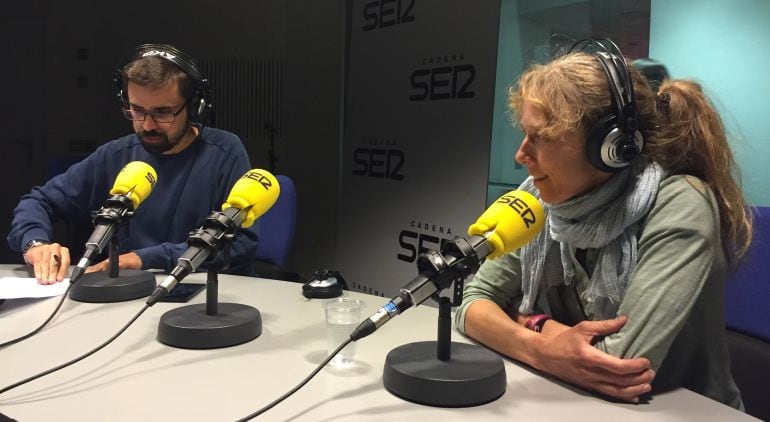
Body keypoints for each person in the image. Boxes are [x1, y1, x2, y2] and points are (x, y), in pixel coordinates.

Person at [456, 43, 753, 409]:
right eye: (524, 134)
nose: (521, 155)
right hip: (574, 403)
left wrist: (521, 318)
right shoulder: (540, 198)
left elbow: (619, 365)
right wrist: (542, 345)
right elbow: (471, 306)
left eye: (541, 137)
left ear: (610, 147)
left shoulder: (681, 203)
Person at [7, 43, 259, 284]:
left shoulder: (225, 153)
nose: (147, 125)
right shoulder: (115, 155)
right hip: (128, 297)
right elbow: (40, 201)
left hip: (205, 298)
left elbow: (240, 243)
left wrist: (143, 259)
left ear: (193, 107)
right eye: (136, 110)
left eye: (162, 113)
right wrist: (35, 245)